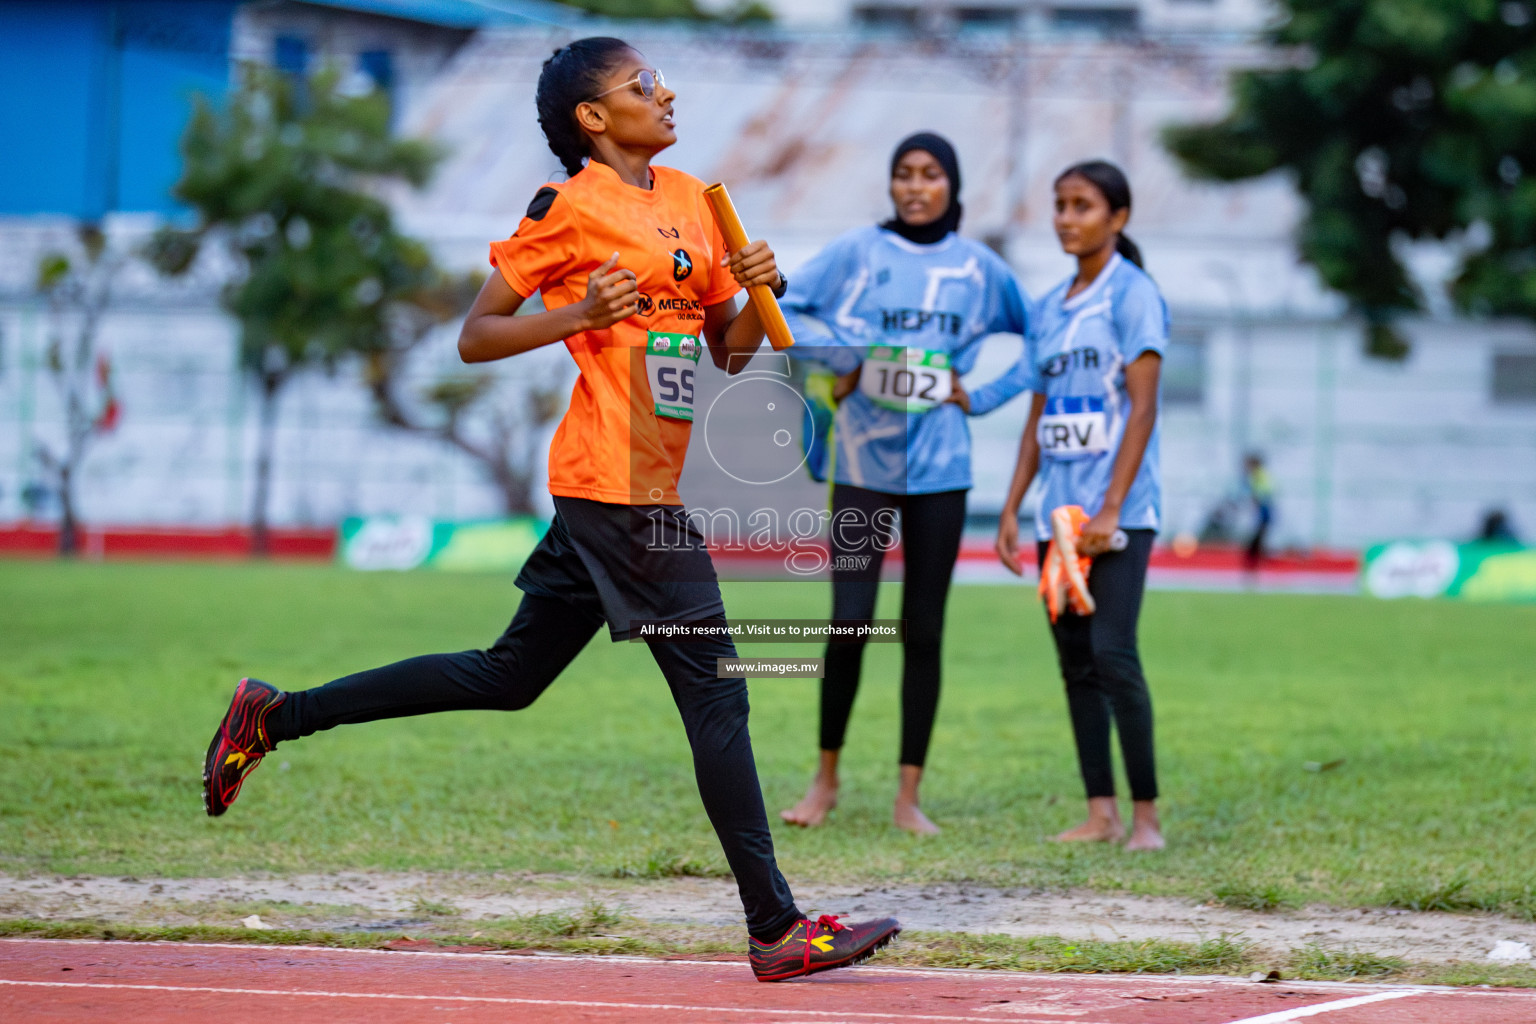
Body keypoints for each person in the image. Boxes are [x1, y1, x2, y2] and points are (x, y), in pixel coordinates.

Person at [200, 37, 898, 981]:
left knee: (509, 674)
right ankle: (775, 929)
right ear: (593, 118)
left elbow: (732, 353)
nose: (666, 92)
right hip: (612, 483)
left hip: (642, 483)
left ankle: (273, 717)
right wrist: (577, 315)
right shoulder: (567, 211)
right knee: (718, 694)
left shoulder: (694, 197)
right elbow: (475, 335)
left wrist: (757, 288)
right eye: (642, 86)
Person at [778, 133, 1033, 834]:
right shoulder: (857, 253)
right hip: (863, 466)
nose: (916, 187)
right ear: (890, 185)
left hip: (941, 473)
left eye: (930, 175)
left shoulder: (982, 269)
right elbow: (783, 311)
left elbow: (1042, 339)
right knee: (849, 623)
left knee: (925, 630)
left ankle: (907, 798)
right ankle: (824, 782)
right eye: (904, 175)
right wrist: (844, 356)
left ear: (952, 186)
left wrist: (978, 395)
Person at [995, 160, 1168, 852]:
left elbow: (1144, 406)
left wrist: (1112, 508)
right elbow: (1039, 415)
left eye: (1084, 206)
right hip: (1055, 519)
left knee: (1114, 655)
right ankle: (1101, 813)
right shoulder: (1047, 308)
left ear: (1118, 218)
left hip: (1116, 519)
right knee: (1075, 665)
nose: (1068, 218)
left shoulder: (1135, 295)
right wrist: (1012, 509)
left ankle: (1146, 818)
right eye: (1061, 205)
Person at [1242, 453, 1274, 573]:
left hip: (1263, 510)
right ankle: (1254, 563)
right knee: (1258, 538)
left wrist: (1256, 500)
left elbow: (1262, 493)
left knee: (1258, 538)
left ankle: (1254, 564)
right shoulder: (1260, 475)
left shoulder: (1258, 475)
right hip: (1263, 510)